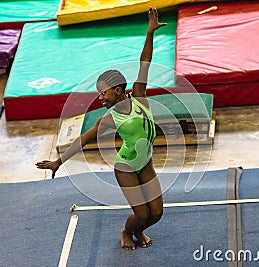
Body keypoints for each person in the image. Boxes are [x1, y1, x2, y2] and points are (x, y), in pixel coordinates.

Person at [36, 7, 167, 250]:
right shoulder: (109, 118)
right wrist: (58, 162)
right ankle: (128, 232)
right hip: (126, 167)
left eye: (103, 92)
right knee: (140, 215)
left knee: (156, 214)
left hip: (146, 163)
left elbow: (145, 62)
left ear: (118, 90)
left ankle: (138, 231)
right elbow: (84, 140)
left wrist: (149, 33)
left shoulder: (139, 95)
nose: (100, 98)